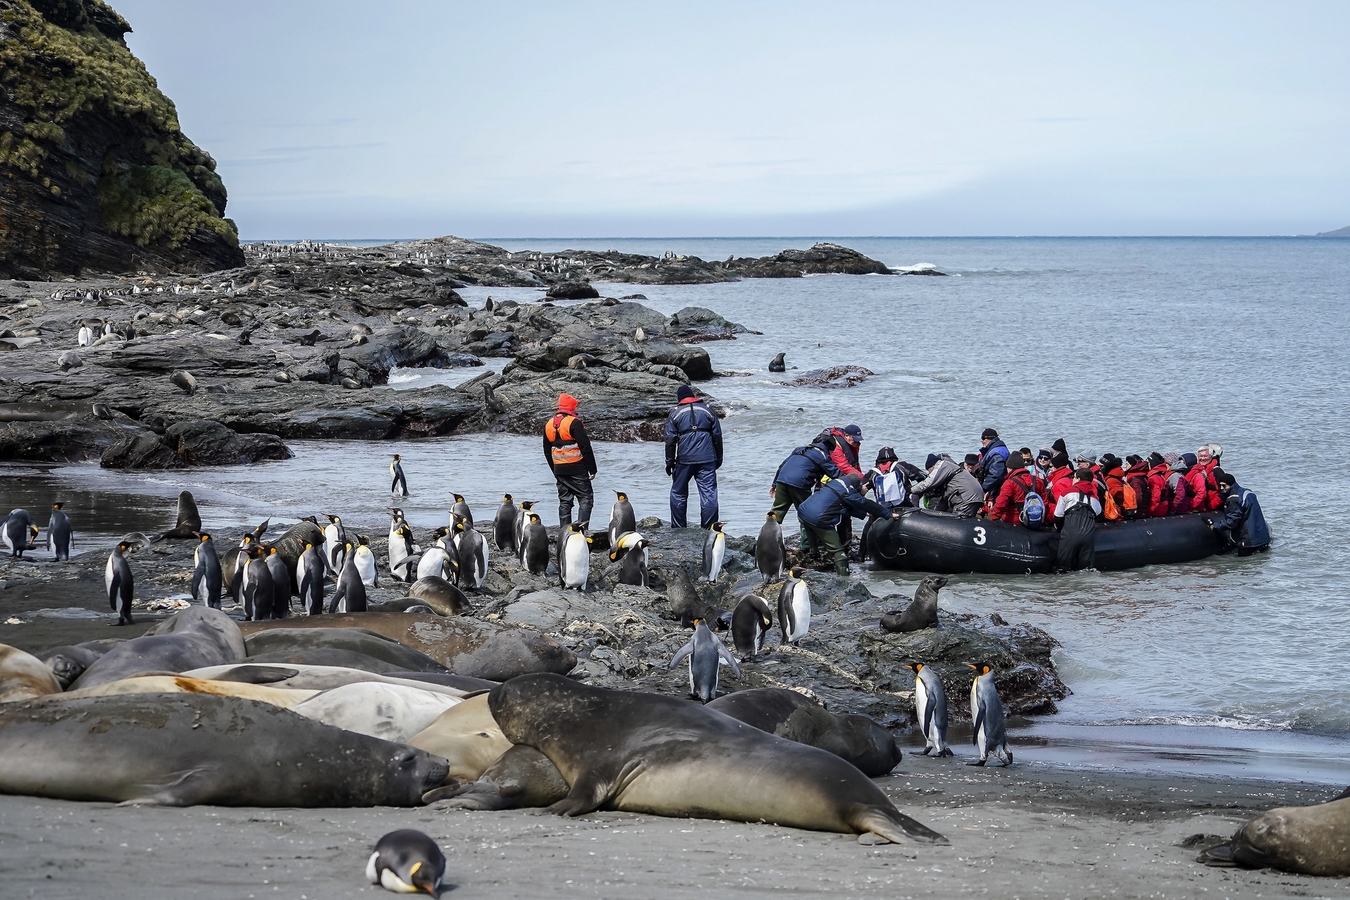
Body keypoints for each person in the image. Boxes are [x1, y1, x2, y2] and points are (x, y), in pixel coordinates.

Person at [798, 473, 897, 575]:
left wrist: (864, 514)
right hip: (818, 519)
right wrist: (888, 514)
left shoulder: (834, 483)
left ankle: (814, 554)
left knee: (810, 528)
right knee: (838, 550)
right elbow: (865, 503)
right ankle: (844, 578)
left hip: (802, 512)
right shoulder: (848, 491)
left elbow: (844, 508)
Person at [664, 385, 723, 529]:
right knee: (709, 494)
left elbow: (670, 440)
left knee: (678, 492)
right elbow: (717, 435)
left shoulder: (675, 414)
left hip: (684, 459)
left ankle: (678, 528)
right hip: (707, 458)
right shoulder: (708, 410)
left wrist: (669, 462)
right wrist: (719, 458)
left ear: (680, 399)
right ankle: (709, 529)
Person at [769, 437, 842, 553]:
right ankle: (809, 547)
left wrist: (774, 484)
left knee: (776, 513)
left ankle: (767, 543)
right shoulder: (822, 455)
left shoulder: (800, 449)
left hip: (782, 480)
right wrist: (850, 482)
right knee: (807, 514)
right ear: (830, 449)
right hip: (799, 484)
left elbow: (782, 466)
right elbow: (835, 473)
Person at [542, 393, 596, 529]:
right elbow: (585, 447)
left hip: (559, 469)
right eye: (575, 407)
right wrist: (592, 469)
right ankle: (581, 532)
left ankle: (564, 533)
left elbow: (546, 451)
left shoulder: (548, 424)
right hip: (577, 468)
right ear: (571, 407)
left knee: (565, 501)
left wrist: (555, 470)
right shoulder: (574, 423)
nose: (576, 410)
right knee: (585, 498)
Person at [1053, 469, 1102, 572]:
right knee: (1086, 570)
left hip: (1070, 535)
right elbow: (1098, 514)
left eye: (1074, 477)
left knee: (1061, 569)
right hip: (1088, 538)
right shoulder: (1095, 498)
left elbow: (1058, 515)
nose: (1073, 479)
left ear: (1078, 479)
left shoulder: (1067, 492)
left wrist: (1060, 530)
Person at [1211, 471, 1270, 555]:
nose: (1221, 488)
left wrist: (1215, 526)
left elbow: (1232, 522)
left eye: (1224, 485)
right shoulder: (1247, 492)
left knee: (1241, 566)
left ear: (1231, 485)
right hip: (1263, 539)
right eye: (1220, 486)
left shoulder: (1233, 499)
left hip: (1249, 543)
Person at [911, 452, 984, 517]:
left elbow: (928, 483)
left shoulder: (943, 466)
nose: (930, 474)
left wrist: (910, 489)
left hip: (966, 498)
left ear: (934, 466)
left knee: (959, 522)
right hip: (975, 497)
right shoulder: (953, 468)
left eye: (930, 471)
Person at [989, 451, 1038, 524]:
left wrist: (992, 519)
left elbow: (1001, 504)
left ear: (1009, 468)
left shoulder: (1009, 483)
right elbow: (1044, 502)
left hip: (1014, 521)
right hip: (1035, 519)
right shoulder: (1037, 480)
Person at [974, 428, 1009, 500]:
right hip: (996, 488)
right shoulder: (995, 449)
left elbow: (996, 475)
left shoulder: (997, 453)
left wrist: (982, 489)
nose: (981, 440)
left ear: (990, 439)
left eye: (983, 438)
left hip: (999, 490)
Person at [1123, 454, 1152, 519]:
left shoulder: (1135, 480)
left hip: (1138, 512)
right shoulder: (1143, 475)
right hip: (1144, 509)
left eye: (1127, 464)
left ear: (1132, 466)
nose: (1125, 466)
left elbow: (1137, 498)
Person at [1145, 452, 1173, 517]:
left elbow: (1156, 497)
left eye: (1148, 463)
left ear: (1152, 464)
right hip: (1164, 506)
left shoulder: (1153, 478)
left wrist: (1150, 511)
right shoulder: (1161, 476)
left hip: (1157, 510)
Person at [1195, 445, 1222, 511]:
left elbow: (1223, 492)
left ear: (1211, 457)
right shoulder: (1196, 470)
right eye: (1200, 456)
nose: (1203, 458)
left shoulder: (1216, 471)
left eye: (1205, 456)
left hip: (1214, 506)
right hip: (1201, 505)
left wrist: (1210, 506)